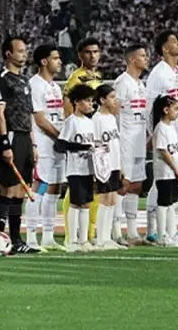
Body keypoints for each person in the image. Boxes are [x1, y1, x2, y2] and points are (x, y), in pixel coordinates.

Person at [0, 36, 38, 254]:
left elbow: (28, 115)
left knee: (20, 190)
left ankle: (17, 239)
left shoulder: (24, 80)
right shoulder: (1, 80)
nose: (24, 54)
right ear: (8, 54)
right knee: (7, 188)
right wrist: (4, 144)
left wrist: (33, 144)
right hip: (10, 137)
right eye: (20, 51)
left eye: (25, 50)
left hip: (25, 137)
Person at [145, 31, 178, 242]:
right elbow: (152, 105)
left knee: (173, 186)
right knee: (160, 184)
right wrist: (152, 132)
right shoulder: (158, 73)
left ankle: (171, 229)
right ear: (163, 48)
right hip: (164, 132)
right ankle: (154, 229)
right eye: (173, 41)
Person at [27, 42, 65, 250]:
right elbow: (39, 119)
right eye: (55, 58)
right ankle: (31, 236)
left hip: (56, 145)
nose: (59, 62)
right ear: (44, 61)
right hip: (42, 143)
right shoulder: (35, 85)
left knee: (55, 188)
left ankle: (48, 235)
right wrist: (62, 137)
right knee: (38, 188)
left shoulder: (55, 87)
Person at [113, 44, 150, 245]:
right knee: (123, 185)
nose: (147, 58)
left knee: (136, 185)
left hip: (139, 141)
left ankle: (133, 232)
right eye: (143, 55)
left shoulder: (140, 84)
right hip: (125, 140)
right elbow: (114, 112)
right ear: (132, 60)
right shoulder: (122, 83)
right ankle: (117, 231)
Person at [55, 83, 97, 252]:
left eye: (91, 101)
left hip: (89, 168)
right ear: (77, 102)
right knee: (75, 203)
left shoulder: (89, 122)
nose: (90, 104)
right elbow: (60, 145)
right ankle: (71, 240)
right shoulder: (71, 122)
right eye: (87, 101)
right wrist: (82, 148)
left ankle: (83, 240)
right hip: (75, 169)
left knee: (86, 203)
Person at [90, 84, 125, 250]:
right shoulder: (96, 119)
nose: (114, 100)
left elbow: (115, 143)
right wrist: (98, 170)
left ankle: (108, 237)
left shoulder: (112, 118)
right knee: (104, 199)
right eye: (111, 97)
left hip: (114, 162)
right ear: (102, 100)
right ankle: (101, 237)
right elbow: (95, 145)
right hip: (104, 165)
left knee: (112, 200)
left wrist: (120, 165)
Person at [150, 94, 178, 248]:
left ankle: (172, 233)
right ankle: (162, 235)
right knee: (164, 203)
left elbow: (175, 150)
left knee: (172, 202)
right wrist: (175, 168)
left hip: (173, 172)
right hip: (164, 172)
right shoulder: (161, 128)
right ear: (166, 110)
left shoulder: (171, 128)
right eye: (176, 109)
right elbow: (163, 151)